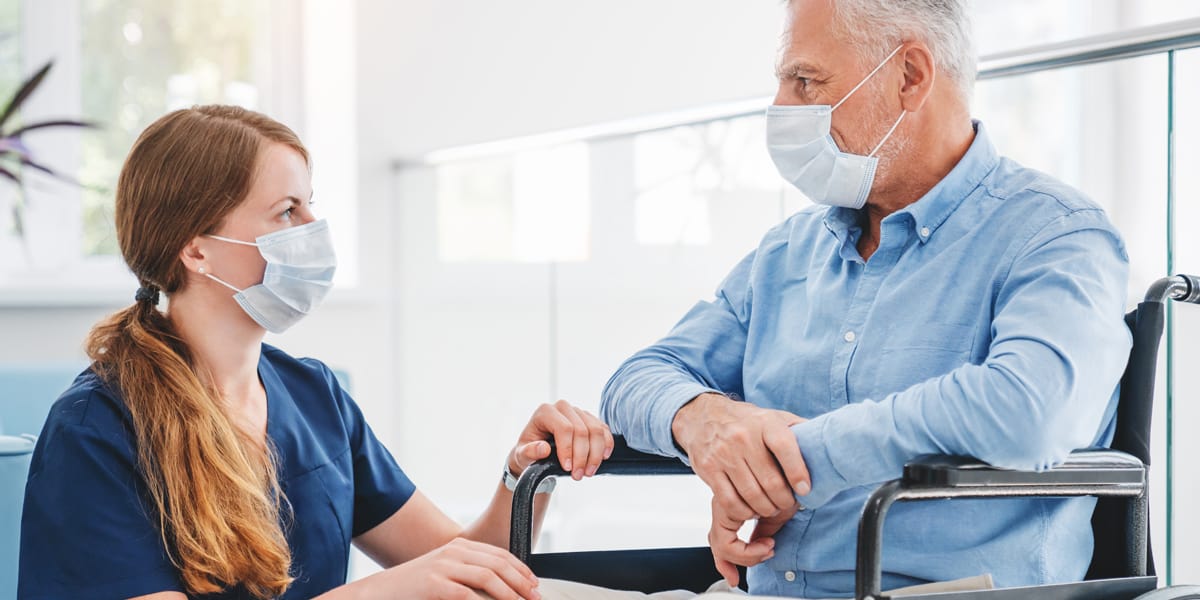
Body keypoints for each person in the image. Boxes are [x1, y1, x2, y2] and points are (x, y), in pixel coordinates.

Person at [601, 0, 1131, 597]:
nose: (782, 107)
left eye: (805, 80)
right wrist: (707, 421)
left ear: (910, 76)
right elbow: (636, 379)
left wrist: (792, 463)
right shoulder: (788, 253)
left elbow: (1028, 410)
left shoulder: (1055, 234)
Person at [17, 105, 616, 600]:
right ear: (196, 252)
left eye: (310, 204)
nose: (314, 228)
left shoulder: (314, 397)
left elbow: (467, 568)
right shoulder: (96, 429)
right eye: (287, 212)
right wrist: (376, 594)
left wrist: (528, 476)